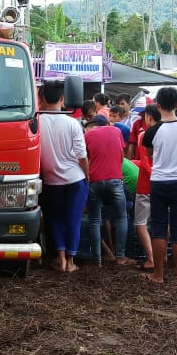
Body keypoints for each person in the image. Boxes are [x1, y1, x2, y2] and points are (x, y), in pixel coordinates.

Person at [142, 86, 177, 287]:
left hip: (158, 181)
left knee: (158, 227)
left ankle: (158, 274)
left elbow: (149, 154)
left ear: (157, 105)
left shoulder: (152, 131)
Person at [36, 81, 89, 274]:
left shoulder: (36, 123)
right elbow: (81, 156)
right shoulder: (72, 123)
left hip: (51, 181)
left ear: (42, 98)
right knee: (73, 220)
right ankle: (71, 261)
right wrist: (87, 176)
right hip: (75, 179)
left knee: (55, 219)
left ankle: (60, 259)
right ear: (62, 98)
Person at [84, 114, 130, 265]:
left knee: (94, 220)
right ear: (107, 123)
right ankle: (120, 257)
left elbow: (85, 159)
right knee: (121, 217)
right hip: (115, 179)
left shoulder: (88, 135)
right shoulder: (116, 131)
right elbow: (121, 157)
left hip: (95, 181)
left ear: (94, 125)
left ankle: (97, 259)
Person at [131, 104, 158, 270]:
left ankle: (151, 258)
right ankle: (162, 256)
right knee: (161, 222)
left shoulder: (144, 135)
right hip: (165, 184)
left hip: (146, 185)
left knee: (140, 223)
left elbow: (145, 162)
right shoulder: (166, 133)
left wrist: (154, 176)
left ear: (149, 117)